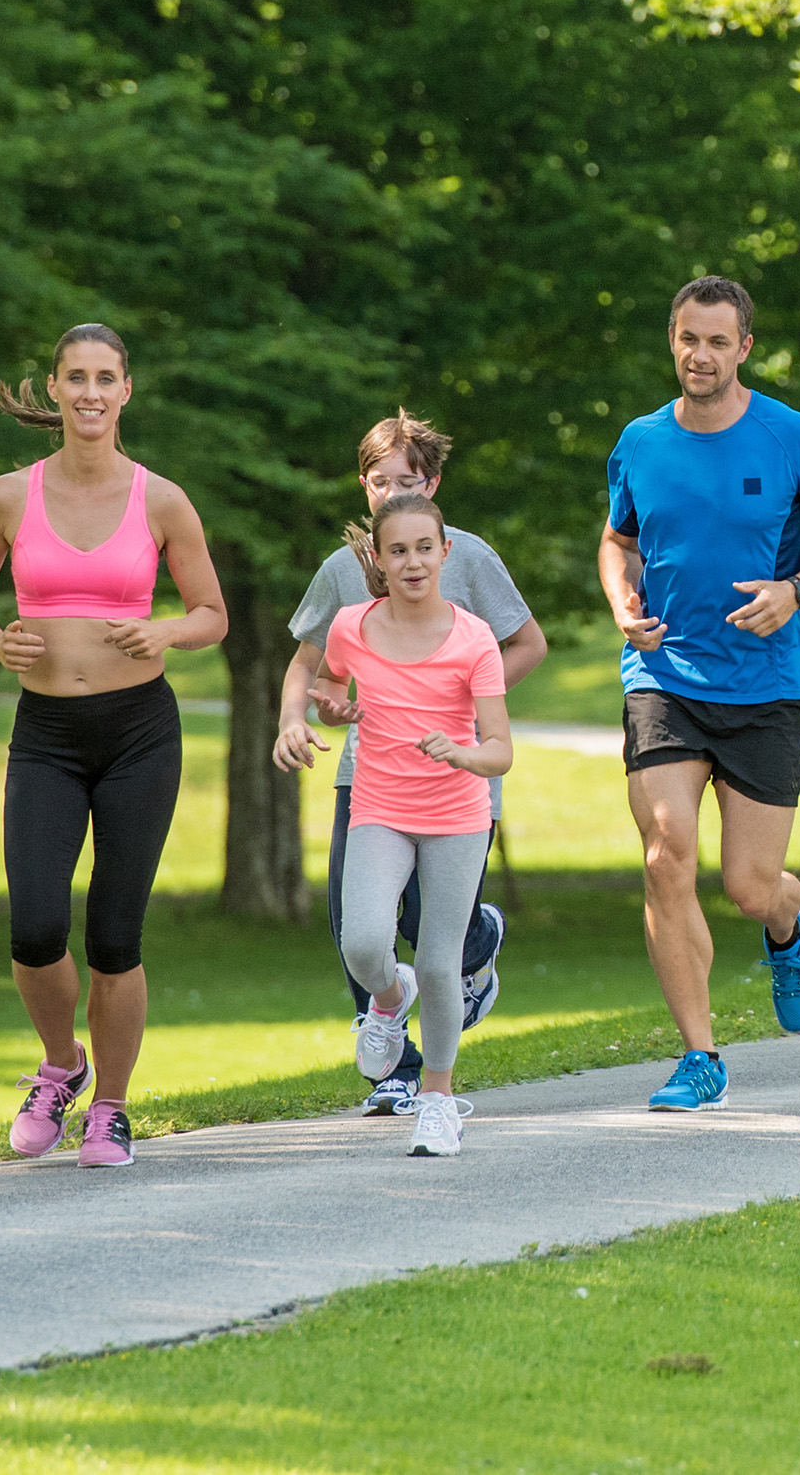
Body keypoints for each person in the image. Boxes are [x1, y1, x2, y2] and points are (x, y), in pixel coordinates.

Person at [598, 275, 800, 1113]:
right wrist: (621, 600)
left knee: (749, 884)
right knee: (665, 852)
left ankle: (785, 927)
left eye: (719, 341)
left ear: (744, 347)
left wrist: (797, 589)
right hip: (666, 675)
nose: (701, 354)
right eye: (689, 337)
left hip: (767, 683)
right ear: (673, 339)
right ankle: (700, 1055)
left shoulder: (788, 435)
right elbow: (618, 538)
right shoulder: (641, 441)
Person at [0, 323, 227, 1170]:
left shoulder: (161, 500)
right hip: (46, 735)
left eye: (106, 378)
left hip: (139, 731)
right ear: (56, 387)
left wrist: (165, 632)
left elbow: (213, 614)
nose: (91, 393)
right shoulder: (8, 495)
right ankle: (61, 1065)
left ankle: (110, 1106)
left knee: (114, 934)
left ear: (126, 391)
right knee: (34, 925)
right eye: (77, 377)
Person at [278, 411, 545, 1116]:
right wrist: (299, 718)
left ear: (432, 482)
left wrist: (464, 703)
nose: (392, 488)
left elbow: (527, 644)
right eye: (378, 479)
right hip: (367, 778)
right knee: (357, 924)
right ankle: (393, 1068)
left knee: (435, 932)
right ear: (362, 486)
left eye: (408, 478)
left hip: (456, 780)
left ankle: (477, 948)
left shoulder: (469, 558)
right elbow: (312, 666)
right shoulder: (343, 570)